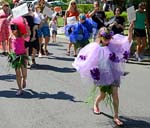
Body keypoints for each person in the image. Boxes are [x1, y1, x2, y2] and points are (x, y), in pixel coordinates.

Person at [72, 21, 134, 126]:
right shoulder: (95, 47)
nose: (108, 40)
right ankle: (96, 104)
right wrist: (94, 72)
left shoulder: (113, 43)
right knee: (103, 94)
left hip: (114, 73)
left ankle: (116, 116)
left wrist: (131, 29)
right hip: (103, 74)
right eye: (106, 38)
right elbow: (89, 61)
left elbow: (127, 41)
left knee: (115, 94)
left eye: (109, 38)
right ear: (100, 37)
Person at [8, 16, 29, 96]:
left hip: (23, 55)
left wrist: (24, 24)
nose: (13, 30)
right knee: (17, 73)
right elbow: (9, 46)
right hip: (15, 56)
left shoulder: (22, 36)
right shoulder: (11, 37)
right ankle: (19, 89)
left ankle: (24, 79)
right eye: (12, 28)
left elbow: (28, 33)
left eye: (15, 28)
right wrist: (9, 52)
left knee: (24, 73)